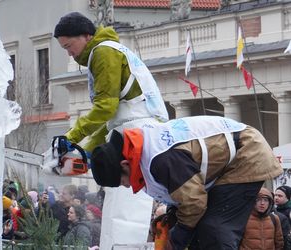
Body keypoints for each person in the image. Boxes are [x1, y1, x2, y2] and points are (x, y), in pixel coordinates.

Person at [47, 11, 169, 248]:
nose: (69, 53)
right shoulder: (106, 51)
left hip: (137, 132)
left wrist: (70, 139)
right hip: (133, 129)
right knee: (117, 200)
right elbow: (111, 119)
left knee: (126, 206)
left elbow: (105, 107)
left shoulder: (104, 52)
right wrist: (84, 151)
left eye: (69, 46)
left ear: (85, 36)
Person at [90, 115, 283, 250]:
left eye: (122, 181)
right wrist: (174, 217)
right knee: (201, 228)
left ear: (125, 164)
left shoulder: (162, 159)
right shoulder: (147, 152)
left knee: (215, 228)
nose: (127, 186)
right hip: (232, 158)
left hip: (247, 155)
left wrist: (178, 237)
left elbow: (194, 202)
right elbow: (186, 194)